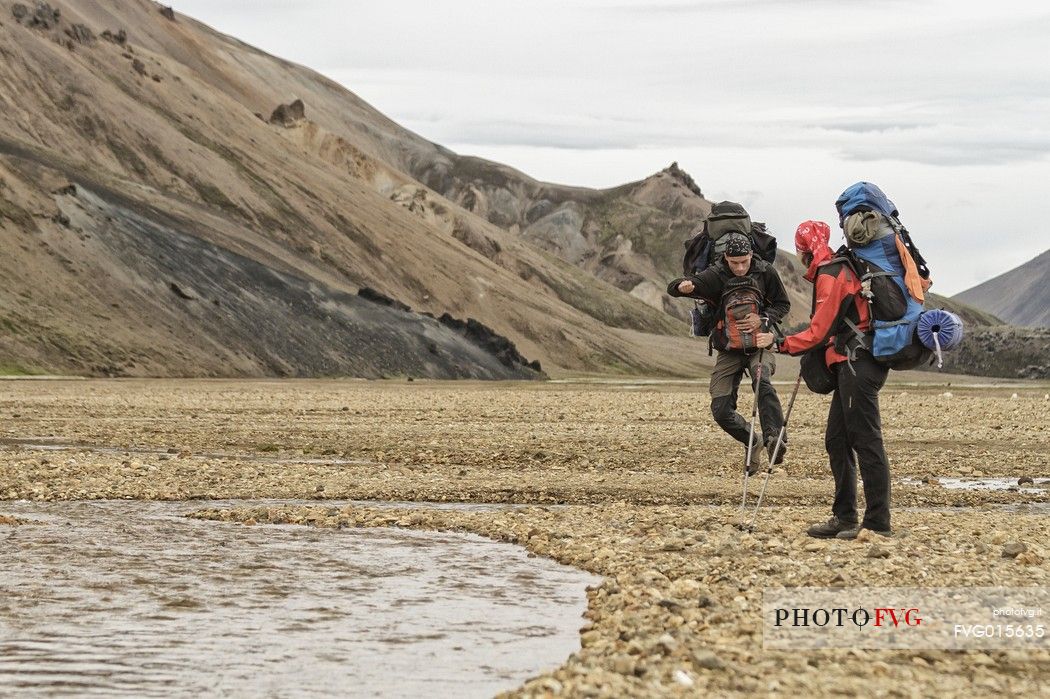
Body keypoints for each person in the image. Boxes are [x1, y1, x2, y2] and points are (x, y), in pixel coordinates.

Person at [756, 220, 892, 539]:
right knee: (838, 440)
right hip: (855, 362)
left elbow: (819, 331)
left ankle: (877, 523)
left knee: (866, 440)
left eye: (799, 250)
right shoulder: (837, 268)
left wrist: (779, 343)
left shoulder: (832, 274)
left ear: (804, 251)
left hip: (857, 363)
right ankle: (844, 517)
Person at [667, 232, 791, 474]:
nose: (740, 267)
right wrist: (683, 287)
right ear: (725, 258)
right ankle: (751, 440)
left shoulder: (765, 271)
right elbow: (673, 288)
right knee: (721, 409)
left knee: (761, 380)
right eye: (735, 263)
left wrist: (763, 318)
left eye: (745, 261)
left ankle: (774, 438)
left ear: (751, 255)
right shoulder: (716, 274)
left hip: (759, 343)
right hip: (728, 348)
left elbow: (782, 304)